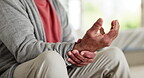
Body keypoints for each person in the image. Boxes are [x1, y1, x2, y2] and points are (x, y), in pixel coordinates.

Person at [0, 0, 130, 78]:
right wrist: (77, 47)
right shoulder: (8, 2)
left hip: (59, 70)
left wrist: (84, 50)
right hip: (17, 71)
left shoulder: (56, 5)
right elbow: (25, 50)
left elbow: (69, 44)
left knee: (114, 56)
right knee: (52, 59)